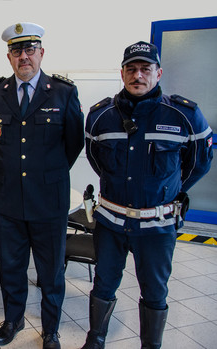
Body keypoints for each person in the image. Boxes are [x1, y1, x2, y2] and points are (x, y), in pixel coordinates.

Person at [82, 41, 213, 349]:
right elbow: (96, 159)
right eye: (131, 69)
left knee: (154, 291)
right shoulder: (101, 116)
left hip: (157, 227)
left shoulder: (184, 115)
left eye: (145, 69)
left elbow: (198, 164)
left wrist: (168, 191)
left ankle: (150, 345)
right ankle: (96, 338)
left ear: (158, 73)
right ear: (122, 73)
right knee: (103, 283)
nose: (137, 75)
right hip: (111, 224)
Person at [0, 23, 84, 348]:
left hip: (49, 202)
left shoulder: (64, 92)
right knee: (10, 267)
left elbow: (74, 143)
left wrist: (46, 173)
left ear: (41, 53)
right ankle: (13, 319)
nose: (23, 56)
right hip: (8, 199)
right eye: (17, 51)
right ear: (9, 56)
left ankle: (51, 328)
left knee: (50, 271)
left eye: (30, 50)